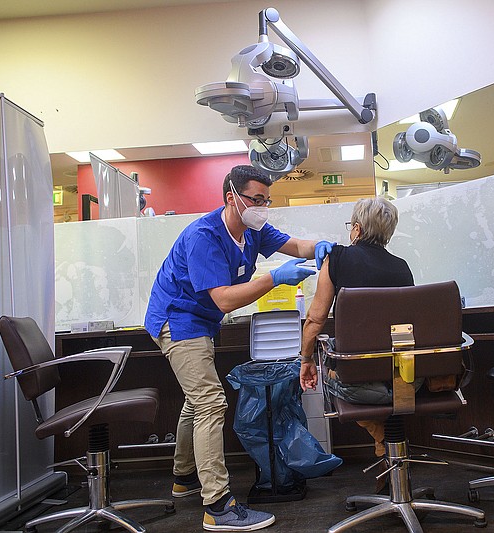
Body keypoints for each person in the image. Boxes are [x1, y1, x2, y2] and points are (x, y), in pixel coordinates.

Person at [144, 165, 334, 532]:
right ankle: (218, 506)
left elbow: (293, 245)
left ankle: (184, 477)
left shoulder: (251, 230)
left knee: (195, 401)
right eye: (256, 199)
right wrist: (273, 278)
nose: (262, 207)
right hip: (177, 320)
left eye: (266, 200)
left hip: (200, 321)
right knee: (210, 402)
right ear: (231, 196)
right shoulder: (204, 236)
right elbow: (225, 300)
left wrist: (320, 249)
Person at [299, 197, 414, 483]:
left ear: (358, 229)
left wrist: (306, 360)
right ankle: (387, 441)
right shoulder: (403, 267)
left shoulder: (337, 257)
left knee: (329, 371)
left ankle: (381, 437)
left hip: (357, 381)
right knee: (376, 384)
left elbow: (315, 319)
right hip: (405, 379)